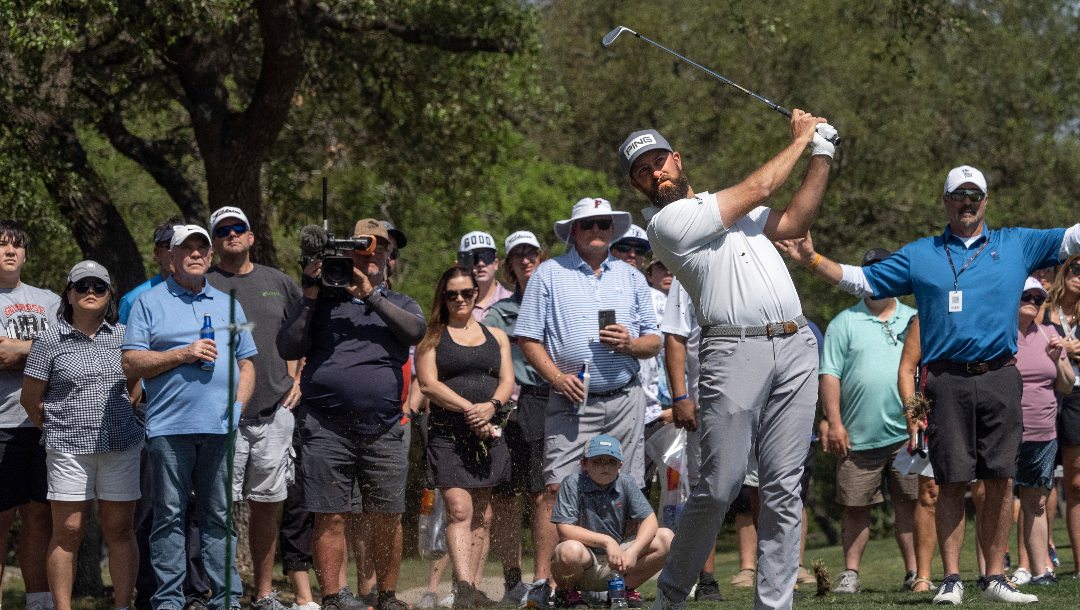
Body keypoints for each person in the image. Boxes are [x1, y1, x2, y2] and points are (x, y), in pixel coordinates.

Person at [780, 164, 1080, 604]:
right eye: (959, 195)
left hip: (999, 376)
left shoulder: (1016, 243)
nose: (967, 202)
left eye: (974, 195)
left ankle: (995, 577)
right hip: (945, 380)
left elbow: (1074, 237)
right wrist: (813, 259)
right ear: (945, 201)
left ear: (985, 201)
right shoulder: (922, 254)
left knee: (1000, 479)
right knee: (951, 480)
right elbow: (864, 279)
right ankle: (952, 579)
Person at [622, 110, 835, 610]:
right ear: (639, 187)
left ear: (677, 159)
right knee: (720, 486)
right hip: (733, 350)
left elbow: (796, 221)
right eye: (643, 172)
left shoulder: (728, 208)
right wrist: (803, 137)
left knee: (784, 488)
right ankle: (671, 596)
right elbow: (761, 188)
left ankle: (773, 605)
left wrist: (822, 152)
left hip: (796, 344)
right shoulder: (667, 223)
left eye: (659, 162)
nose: (656, 174)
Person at [515, 197, 661, 606]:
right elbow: (527, 338)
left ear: (611, 231)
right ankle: (548, 582)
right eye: (588, 225)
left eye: (603, 224)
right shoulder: (548, 274)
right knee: (554, 488)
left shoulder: (631, 277)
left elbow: (655, 341)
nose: (597, 231)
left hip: (624, 398)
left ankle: (619, 582)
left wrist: (630, 344)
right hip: (570, 397)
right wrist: (557, 378)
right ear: (573, 232)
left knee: (626, 488)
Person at [277, 218, 424, 610]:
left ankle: (388, 596)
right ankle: (334, 597)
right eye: (364, 249)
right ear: (349, 252)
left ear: (390, 259)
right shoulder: (323, 301)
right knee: (330, 514)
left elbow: (414, 332)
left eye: (380, 250)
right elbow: (288, 346)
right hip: (326, 424)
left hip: (385, 427)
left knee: (387, 516)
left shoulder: (402, 303)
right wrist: (310, 291)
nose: (372, 255)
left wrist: (370, 295)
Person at [122, 224, 257, 610]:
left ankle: (227, 600)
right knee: (168, 518)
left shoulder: (229, 302)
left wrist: (237, 408)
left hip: (219, 428)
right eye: (187, 248)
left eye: (202, 248)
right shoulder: (150, 302)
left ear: (211, 257)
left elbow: (247, 363)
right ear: (172, 256)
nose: (196, 254)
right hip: (168, 428)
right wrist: (183, 353)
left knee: (219, 518)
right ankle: (168, 601)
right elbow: (130, 362)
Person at [21, 261, 142, 610]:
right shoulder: (48, 339)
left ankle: (122, 605)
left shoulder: (125, 336)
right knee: (69, 531)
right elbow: (31, 398)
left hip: (120, 444)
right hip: (68, 450)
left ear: (109, 296)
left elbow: (135, 389)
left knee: (120, 529)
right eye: (82, 286)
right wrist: (59, 428)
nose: (91, 292)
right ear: (69, 294)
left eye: (99, 287)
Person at [205, 206, 304, 610]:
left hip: (274, 410)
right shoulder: (202, 283)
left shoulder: (279, 283)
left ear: (250, 237)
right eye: (223, 230)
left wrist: (298, 379)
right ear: (214, 241)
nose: (231, 234)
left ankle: (264, 593)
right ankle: (221, 592)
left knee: (267, 507)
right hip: (217, 412)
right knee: (217, 508)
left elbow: (303, 336)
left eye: (238, 228)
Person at [818, 248, 919, 594]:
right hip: (857, 436)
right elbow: (829, 375)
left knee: (911, 503)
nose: (878, 278)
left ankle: (915, 572)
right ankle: (851, 575)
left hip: (908, 434)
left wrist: (921, 418)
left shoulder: (915, 317)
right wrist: (834, 422)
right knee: (855, 506)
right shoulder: (844, 322)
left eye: (885, 271)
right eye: (871, 272)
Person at [416, 266, 515, 609]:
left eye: (466, 293)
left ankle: (472, 586)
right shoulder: (431, 337)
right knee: (460, 510)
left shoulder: (497, 336)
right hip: (448, 435)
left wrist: (491, 407)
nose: (460, 299)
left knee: (484, 515)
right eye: (452, 294)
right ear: (442, 298)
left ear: (476, 295)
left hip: (488, 433)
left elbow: (506, 380)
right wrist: (470, 409)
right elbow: (429, 385)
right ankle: (462, 587)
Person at [482, 230, 550, 607]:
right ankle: (512, 580)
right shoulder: (500, 312)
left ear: (542, 257)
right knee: (507, 498)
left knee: (544, 495)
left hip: (549, 405)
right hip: (509, 411)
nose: (526, 260)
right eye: (518, 256)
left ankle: (544, 579)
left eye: (532, 254)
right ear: (508, 265)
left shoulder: (559, 299)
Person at [0, 220, 61, 610]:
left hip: (41, 424)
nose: (10, 251)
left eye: (17, 245)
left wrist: (18, 348)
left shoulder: (51, 300)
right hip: (1, 426)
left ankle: (38, 603)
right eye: (2, 244)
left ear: (25, 254)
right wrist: (40, 347)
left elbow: (66, 351)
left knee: (40, 518)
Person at [550, 435, 673, 606]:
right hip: (584, 560)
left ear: (620, 466)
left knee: (666, 538)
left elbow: (650, 520)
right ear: (584, 464)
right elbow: (564, 529)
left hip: (618, 561)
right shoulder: (572, 483)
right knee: (568, 550)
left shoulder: (626, 482)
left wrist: (634, 551)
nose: (605, 466)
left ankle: (623, 590)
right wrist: (607, 541)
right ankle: (568, 593)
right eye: (598, 461)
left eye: (611, 461)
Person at [1013, 277, 1074, 586]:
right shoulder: (1000, 336)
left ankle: (1040, 570)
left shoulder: (1050, 333)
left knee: (1036, 501)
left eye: (1039, 299)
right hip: (1005, 432)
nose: (1034, 303)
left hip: (1043, 432)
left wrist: (1057, 358)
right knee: (994, 501)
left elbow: (1064, 384)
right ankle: (993, 571)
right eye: (1028, 296)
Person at [896, 315, 940, 593]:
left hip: (973, 401)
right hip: (932, 411)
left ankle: (989, 572)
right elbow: (906, 369)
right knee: (929, 492)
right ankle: (922, 576)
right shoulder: (924, 319)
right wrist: (913, 410)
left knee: (983, 491)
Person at [1045, 254, 1080, 577]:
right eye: (1075, 268)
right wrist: (1070, 348)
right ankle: (1039, 559)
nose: (1079, 276)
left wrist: (1069, 348)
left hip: (1076, 395)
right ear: (1063, 271)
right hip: (1045, 392)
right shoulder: (1045, 309)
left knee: (1075, 479)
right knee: (1041, 477)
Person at [458, 231, 513, 320]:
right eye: (474, 258)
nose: (481, 263)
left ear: (496, 263)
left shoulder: (513, 301)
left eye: (487, 256)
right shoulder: (454, 305)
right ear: (462, 265)